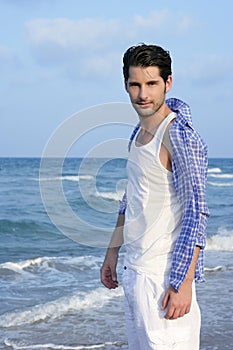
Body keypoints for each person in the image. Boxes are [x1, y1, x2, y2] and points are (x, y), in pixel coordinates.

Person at [100, 44, 209, 349]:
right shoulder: (138, 131)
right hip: (135, 274)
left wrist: (183, 284)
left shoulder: (179, 135)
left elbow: (196, 211)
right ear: (126, 85)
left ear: (168, 83)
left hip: (164, 280)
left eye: (151, 84)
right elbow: (130, 198)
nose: (142, 94)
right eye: (135, 84)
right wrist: (112, 252)